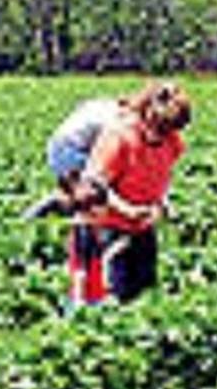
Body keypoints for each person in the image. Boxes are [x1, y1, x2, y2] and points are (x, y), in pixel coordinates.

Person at [77, 82, 192, 305]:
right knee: (112, 296)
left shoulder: (172, 141)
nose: (166, 136)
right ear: (148, 115)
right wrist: (127, 209)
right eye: (163, 129)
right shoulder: (119, 137)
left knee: (146, 294)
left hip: (142, 227)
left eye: (173, 129)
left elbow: (162, 172)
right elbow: (93, 187)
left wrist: (163, 202)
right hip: (106, 227)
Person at [24, 95, 143, 220]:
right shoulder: (117, 122)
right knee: (97, 188)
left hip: (56, 146)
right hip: (69, 151)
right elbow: (107, 153)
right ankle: (66, 208)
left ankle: (56, 205)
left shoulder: (104, 104)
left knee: (83, 192)